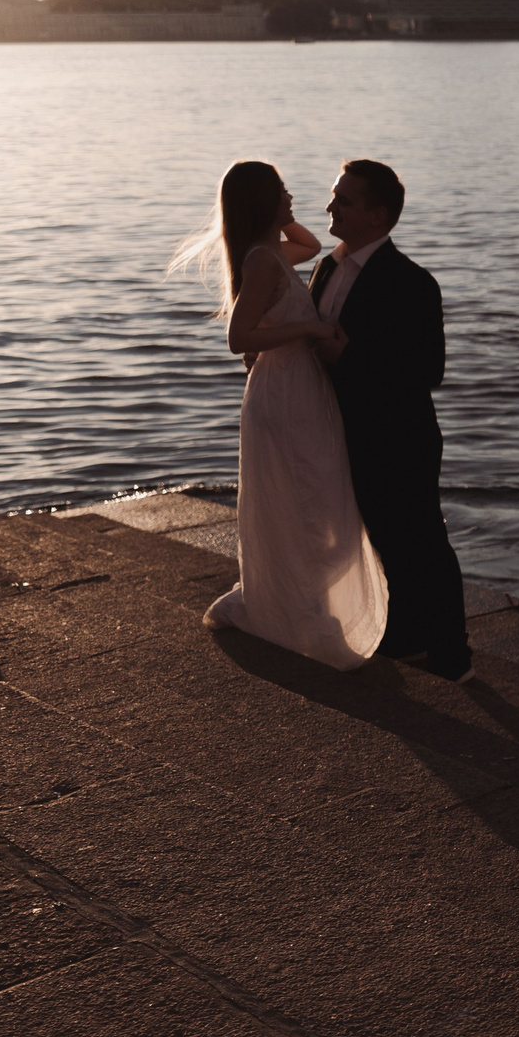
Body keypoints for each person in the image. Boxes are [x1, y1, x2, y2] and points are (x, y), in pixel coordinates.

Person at [182, 160, 387, 670]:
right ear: (261, 200)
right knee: (307, 499)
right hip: (283, 391)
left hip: (298, 390)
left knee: (316, 497)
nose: (293, 195)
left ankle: (294, 604)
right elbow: (239, 338)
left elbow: (312, 245)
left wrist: (275, 214)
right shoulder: (261, 261)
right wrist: (310, 331)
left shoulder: (271, 253)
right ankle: (304, 613)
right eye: (282, 190)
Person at [309, 159, 472, 680]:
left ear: (377, 216)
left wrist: (349, 357)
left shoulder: (412, 283)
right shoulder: (326, 268)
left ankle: (453, 657)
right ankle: (398, 636)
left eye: (344, 200)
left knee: (420, 544)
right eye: (333, 196)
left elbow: (429, 370)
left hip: (399, 437)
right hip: (340, 432)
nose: (330, 206)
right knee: (369, 541)